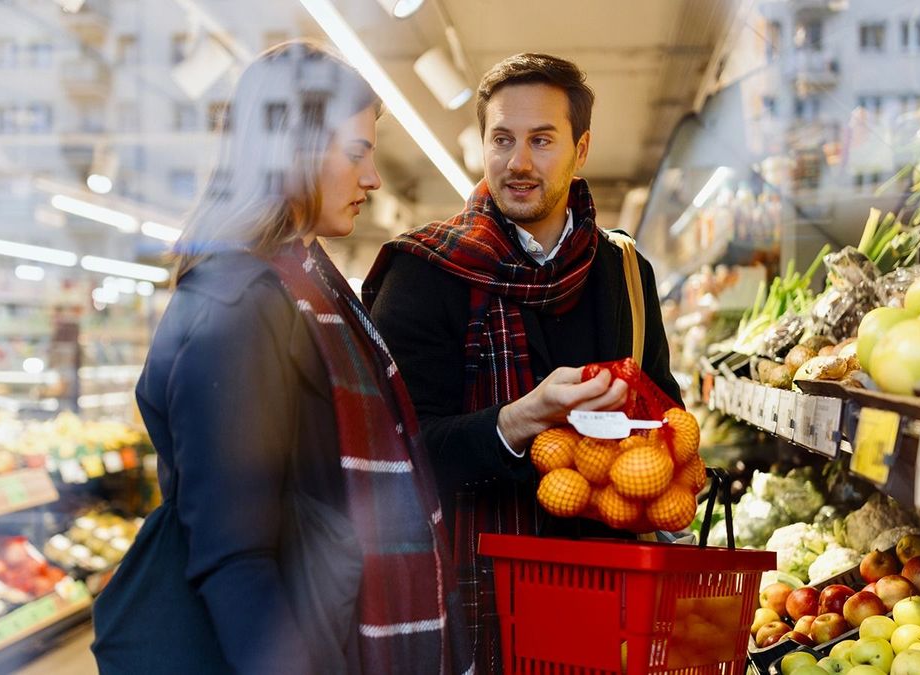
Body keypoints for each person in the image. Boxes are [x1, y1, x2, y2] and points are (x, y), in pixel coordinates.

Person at [93, 41, 471, 675]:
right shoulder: (244, 304)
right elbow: (233, 556)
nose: (372, 179)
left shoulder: (305, 285)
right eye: (355, 154)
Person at [362, 52, 684, 672]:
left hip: (604, 605)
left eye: (542, 140)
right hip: (474, 603)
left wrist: (666, 470)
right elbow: (397, 456)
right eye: (502, 139)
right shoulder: (426, 272)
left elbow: (662, 412)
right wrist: (514, 424)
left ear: (580, 150)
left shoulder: (625, 274)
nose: (519, 162)